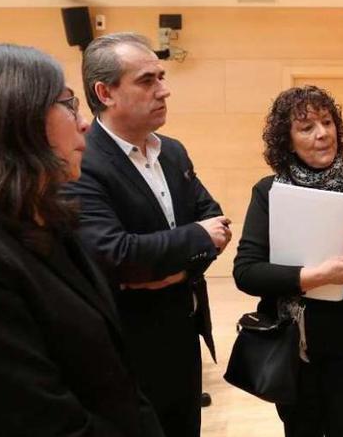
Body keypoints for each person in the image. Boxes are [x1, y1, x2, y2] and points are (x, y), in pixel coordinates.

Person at [0, 43, 164, 436]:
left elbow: (114, 379)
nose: (85, 122)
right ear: (11, 118)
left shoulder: (46, 218)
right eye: (69, 104)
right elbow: (37, 424)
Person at [63, 32, 231, 437]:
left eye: (162, 76)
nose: (164, 90)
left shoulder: (172, 151)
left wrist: (174, 265)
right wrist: (194, 241)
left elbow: (216, 223)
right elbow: (114, 254)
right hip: (126, 343)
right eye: (147, 80)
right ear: (105, 92)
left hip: (183, 330)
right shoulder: (82, 160)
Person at [233, 85, 343, 437]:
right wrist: (315, 276)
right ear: (287, 140)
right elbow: (246, 272)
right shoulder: (269, 192)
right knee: (301, 427)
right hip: (293, 337)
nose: (322, 133)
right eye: (306, 127)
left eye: (327, 122)